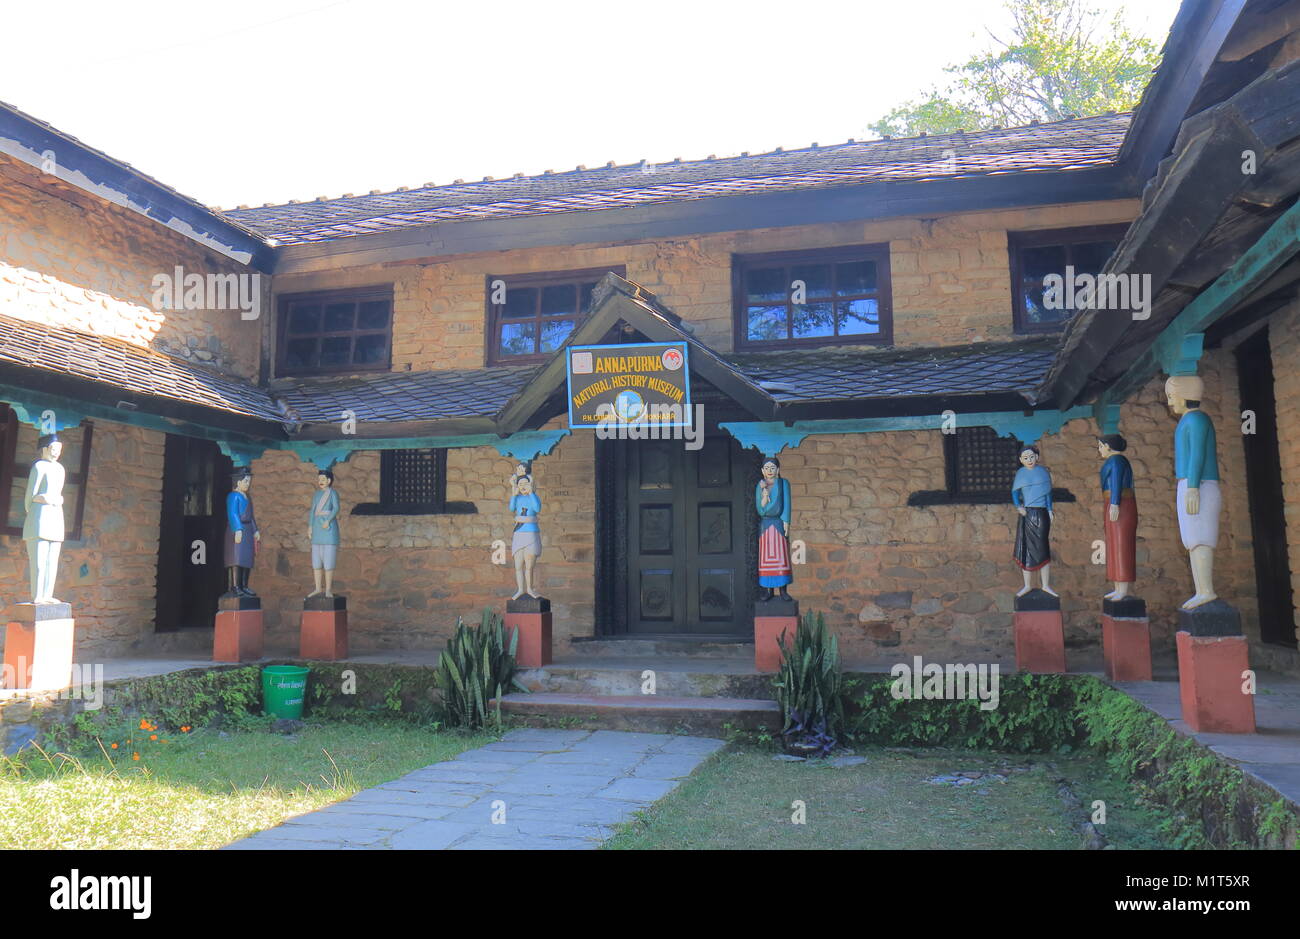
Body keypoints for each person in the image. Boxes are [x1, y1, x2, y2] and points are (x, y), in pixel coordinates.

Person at [1166, 374, 1221, 610]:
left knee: (1201, 537)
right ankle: (1201, 590)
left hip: (1198, 485)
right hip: (1189, 484)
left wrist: (1192, 487)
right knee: (1192, 539)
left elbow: (1197, 455)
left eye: (1171, 396)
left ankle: (1206, 590)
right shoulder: (1188, 421)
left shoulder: (1197, 420)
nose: (1170, 402)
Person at [23, 434, 66, 604]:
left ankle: (48, 594)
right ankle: (38, 595)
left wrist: (57, 500)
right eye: (53, 449)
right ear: (45, 449)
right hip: (39, 517)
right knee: (39, 561)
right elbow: (30, 496)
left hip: (56, 515)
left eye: (59, 450)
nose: (56, 453)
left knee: (52, 561)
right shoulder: (39, 467)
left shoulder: (60, 469)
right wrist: (38, 504)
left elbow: (59, 492)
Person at [1012, 445, 1057, 597]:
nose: (1029, 460)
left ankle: (1045, 585)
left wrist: (1050, 509)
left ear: (1037, 457)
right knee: (1026, 549)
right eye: (1025, 458)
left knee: (1043, 548)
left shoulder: (1043, 472)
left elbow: (1048, 493)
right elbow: (1015, 493)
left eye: (1032, 457)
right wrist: (1019, 506)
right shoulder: (1021, 474)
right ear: (1020, 460)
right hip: (1028, 513)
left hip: (1042, 512)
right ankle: (1027, 585)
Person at [1097, 434, 1137, 601]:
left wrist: (1114, 503)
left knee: (1122, 545)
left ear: (1108, 446)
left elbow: (1116, 482)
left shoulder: (1116, 461)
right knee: (1113, 545)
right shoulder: (1112, 461)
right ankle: (1117, 586)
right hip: (1112, 503)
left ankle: (1123, 587)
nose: (1099, 449)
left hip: (1120, 504)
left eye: (1101, 446)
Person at [756, 458, 793, 601]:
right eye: (767, 468)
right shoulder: (760, 486)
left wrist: (786, 521)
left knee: (781, 557)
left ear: (778, 470)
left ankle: (783, 590)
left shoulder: (783, 484)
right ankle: (768, 590)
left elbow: (787, 503)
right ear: (762, 471)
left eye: (772, 468)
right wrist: (764, 494)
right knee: (766, 558)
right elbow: (760, 509)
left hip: (778, 523)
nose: (770, 471)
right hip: (765, 525)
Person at [224, 468, 260, 597]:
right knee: (236, 559)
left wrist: (255, 530)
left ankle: (244, 585)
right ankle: (235, 585)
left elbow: (251, 516)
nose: (247, 483)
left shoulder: (247, 497)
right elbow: (233, 514)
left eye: (249, 481)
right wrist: (237, 529)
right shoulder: (233, 496)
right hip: (237, 530)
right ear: (238, 482)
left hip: (248, 530)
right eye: (245, 481)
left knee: (246, 559)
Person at [509, 469, 542, 599]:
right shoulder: (517, 498)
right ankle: (520, 589)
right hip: (519, 532)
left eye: (525, 484)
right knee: (518, 564)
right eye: (520, 484)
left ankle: (529, 589)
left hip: (531, 532)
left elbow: (537, 508)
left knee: (529, 565)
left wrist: (531, 492)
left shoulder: (533, 497)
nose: (523, 487)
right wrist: (513, 492)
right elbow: (511, 508)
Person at [307, 469, 340, 598]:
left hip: (328, 528)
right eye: (319, 479)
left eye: (323, 479)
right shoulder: (316, 495)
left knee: (328, 560)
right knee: (316, 560)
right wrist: (310, 526)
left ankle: (328, 589)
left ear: (329, 481)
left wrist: (328, 520)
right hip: (317, 527)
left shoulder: (333, 493)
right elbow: (312, 511)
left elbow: (336, 508)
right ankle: (317, 588)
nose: (320, 481)